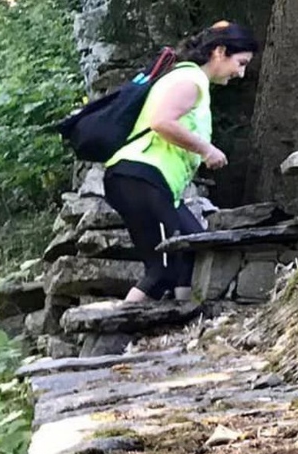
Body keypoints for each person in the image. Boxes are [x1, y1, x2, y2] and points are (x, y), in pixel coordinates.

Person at [102, 21, 258, 304]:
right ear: (220, 51)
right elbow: (162, 122)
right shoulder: (189, 81)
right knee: (160, 269)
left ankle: (183, 324)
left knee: (194, 249)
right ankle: (108, 337)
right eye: (241, 62)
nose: (241, 72)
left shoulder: (189, 79)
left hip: (147, 182)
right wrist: (206, 149)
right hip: (141, 177)